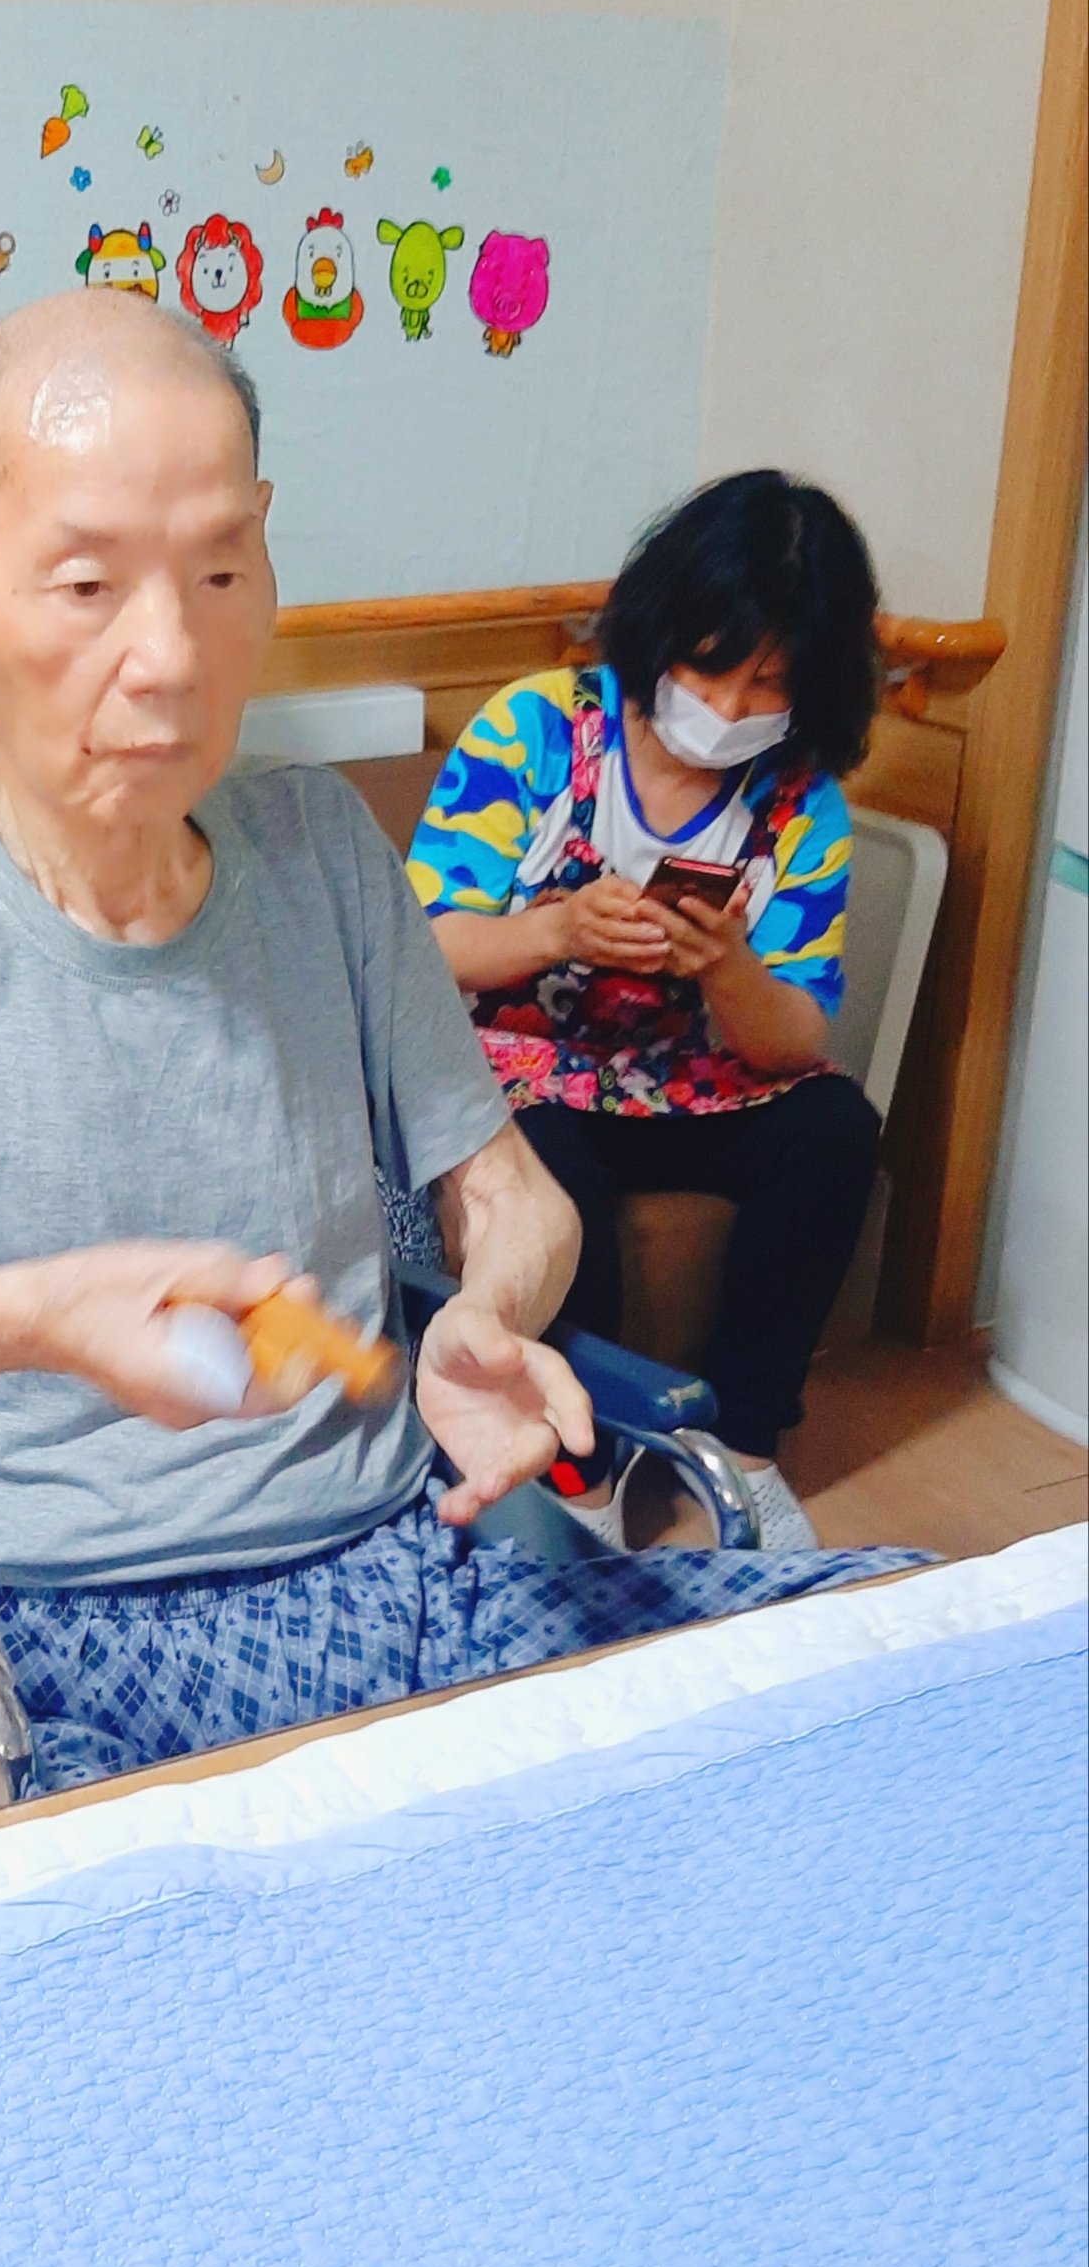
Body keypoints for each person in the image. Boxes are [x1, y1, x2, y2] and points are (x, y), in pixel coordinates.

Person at [0, 307, 914, 1806]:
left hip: (407, 1577)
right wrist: (31, 1316)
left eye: (219, 573)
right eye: (87, 582)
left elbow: (513, 1193)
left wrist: (486, 1312)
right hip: (32, 1651)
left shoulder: (324, 849)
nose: (169, 657)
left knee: (899, 1642)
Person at [406, 472, 885, 1552]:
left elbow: (793, 1039)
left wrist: (729, 969)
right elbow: (421, 946)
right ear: (664, 627)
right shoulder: (536, 728)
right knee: (549, 1175)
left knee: (835, 1129)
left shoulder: (800, 802)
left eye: (769, 683)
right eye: (712, 665)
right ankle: (585, 1468)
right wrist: (558, 932)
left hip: (688, 1085)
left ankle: (746, 1452)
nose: (731, 708)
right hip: (524, 1069)